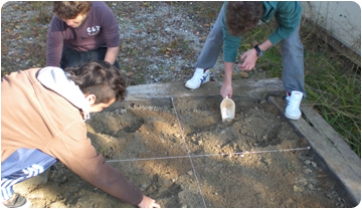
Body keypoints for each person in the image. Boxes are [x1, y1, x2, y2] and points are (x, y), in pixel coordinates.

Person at [1, 61, 160, 208]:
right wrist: (139, 199)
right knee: (51, 154)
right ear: (90, 98)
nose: (100, 111)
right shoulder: (65, 123)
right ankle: (3, 194)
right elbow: (96, 171)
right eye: (102, 107)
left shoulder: (41, 75)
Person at [185, 1, 305, 120]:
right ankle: (203, 69)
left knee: (292, 44)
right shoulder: (232, 5)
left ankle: (294, 91)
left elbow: (288, 27)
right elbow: (230, 42)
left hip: (283, 6)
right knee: (218, 30)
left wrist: (258, 50)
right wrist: (228, 82)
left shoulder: (286, 3)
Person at [46, 1, 120, 69]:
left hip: (100, 49)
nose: (68, 23)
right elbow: (53, 54)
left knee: (112, 78)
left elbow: (113, 46)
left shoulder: (101, 10)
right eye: (65, 20)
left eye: (74, 21)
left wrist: (105, 69)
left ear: (85, 11)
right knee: (72, 79)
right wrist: (52, 72)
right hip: (73, 51)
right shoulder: (57, 21)